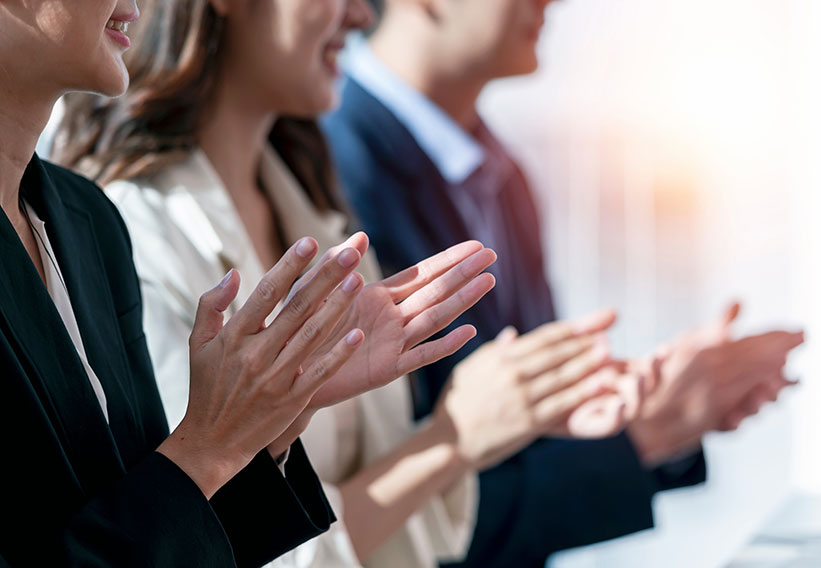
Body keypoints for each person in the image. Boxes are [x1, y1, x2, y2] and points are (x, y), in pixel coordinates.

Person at [54, 0, 647, 566]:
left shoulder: (316, 209)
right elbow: (209, 540)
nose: (363, 14)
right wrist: (453, 438)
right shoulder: (132, 228)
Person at [321, 0, 806, 565]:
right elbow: (408, 507)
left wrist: (647, 400)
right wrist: (644, 435)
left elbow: (522, 430)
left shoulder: (502, 177)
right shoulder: (332, 176)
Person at [0, 0, 481, 564]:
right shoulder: (129, 214)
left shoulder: (90, 224)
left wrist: (268, 416)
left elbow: (153, 529)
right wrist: (210, 447)